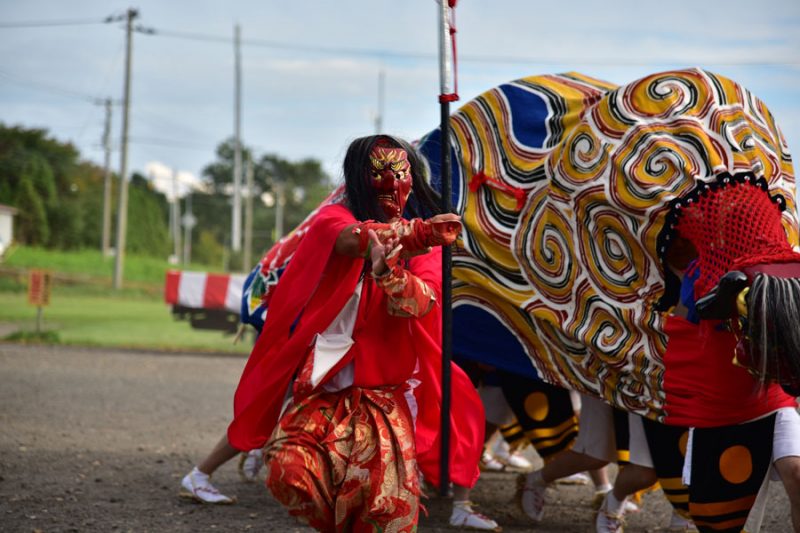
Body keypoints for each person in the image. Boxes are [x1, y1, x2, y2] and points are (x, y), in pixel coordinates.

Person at [181, 134, 499, 531]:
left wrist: (395, 269)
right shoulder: (333, 224)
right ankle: (207, 473)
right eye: (377, 175)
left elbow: (423, 302)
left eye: (397, 175)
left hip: (386, 399)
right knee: (290, 473)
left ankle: (456, 503)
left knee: (385, 512)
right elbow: (352, 239)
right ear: (358, 179)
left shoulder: (427, 252)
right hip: (325, 388)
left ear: (411, 180)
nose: (389, 185)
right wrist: (405, 237)